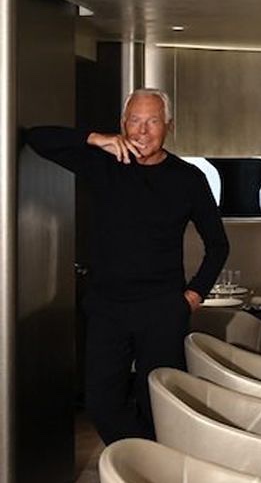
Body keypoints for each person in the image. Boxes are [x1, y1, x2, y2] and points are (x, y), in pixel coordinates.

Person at [26, 88, 229, 444]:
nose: (142, 131)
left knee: (160, 406)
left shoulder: (188, 178)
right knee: (101, 404)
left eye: (152, 122)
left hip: (163, 310)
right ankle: (140, 460)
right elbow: (37, 138)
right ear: (123, 124)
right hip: (108, 309)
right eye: (135, 121)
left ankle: (158, 470)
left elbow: (218, 245)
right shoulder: (103, 162)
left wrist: (193, 295)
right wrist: (96, 139)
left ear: (168, 126)